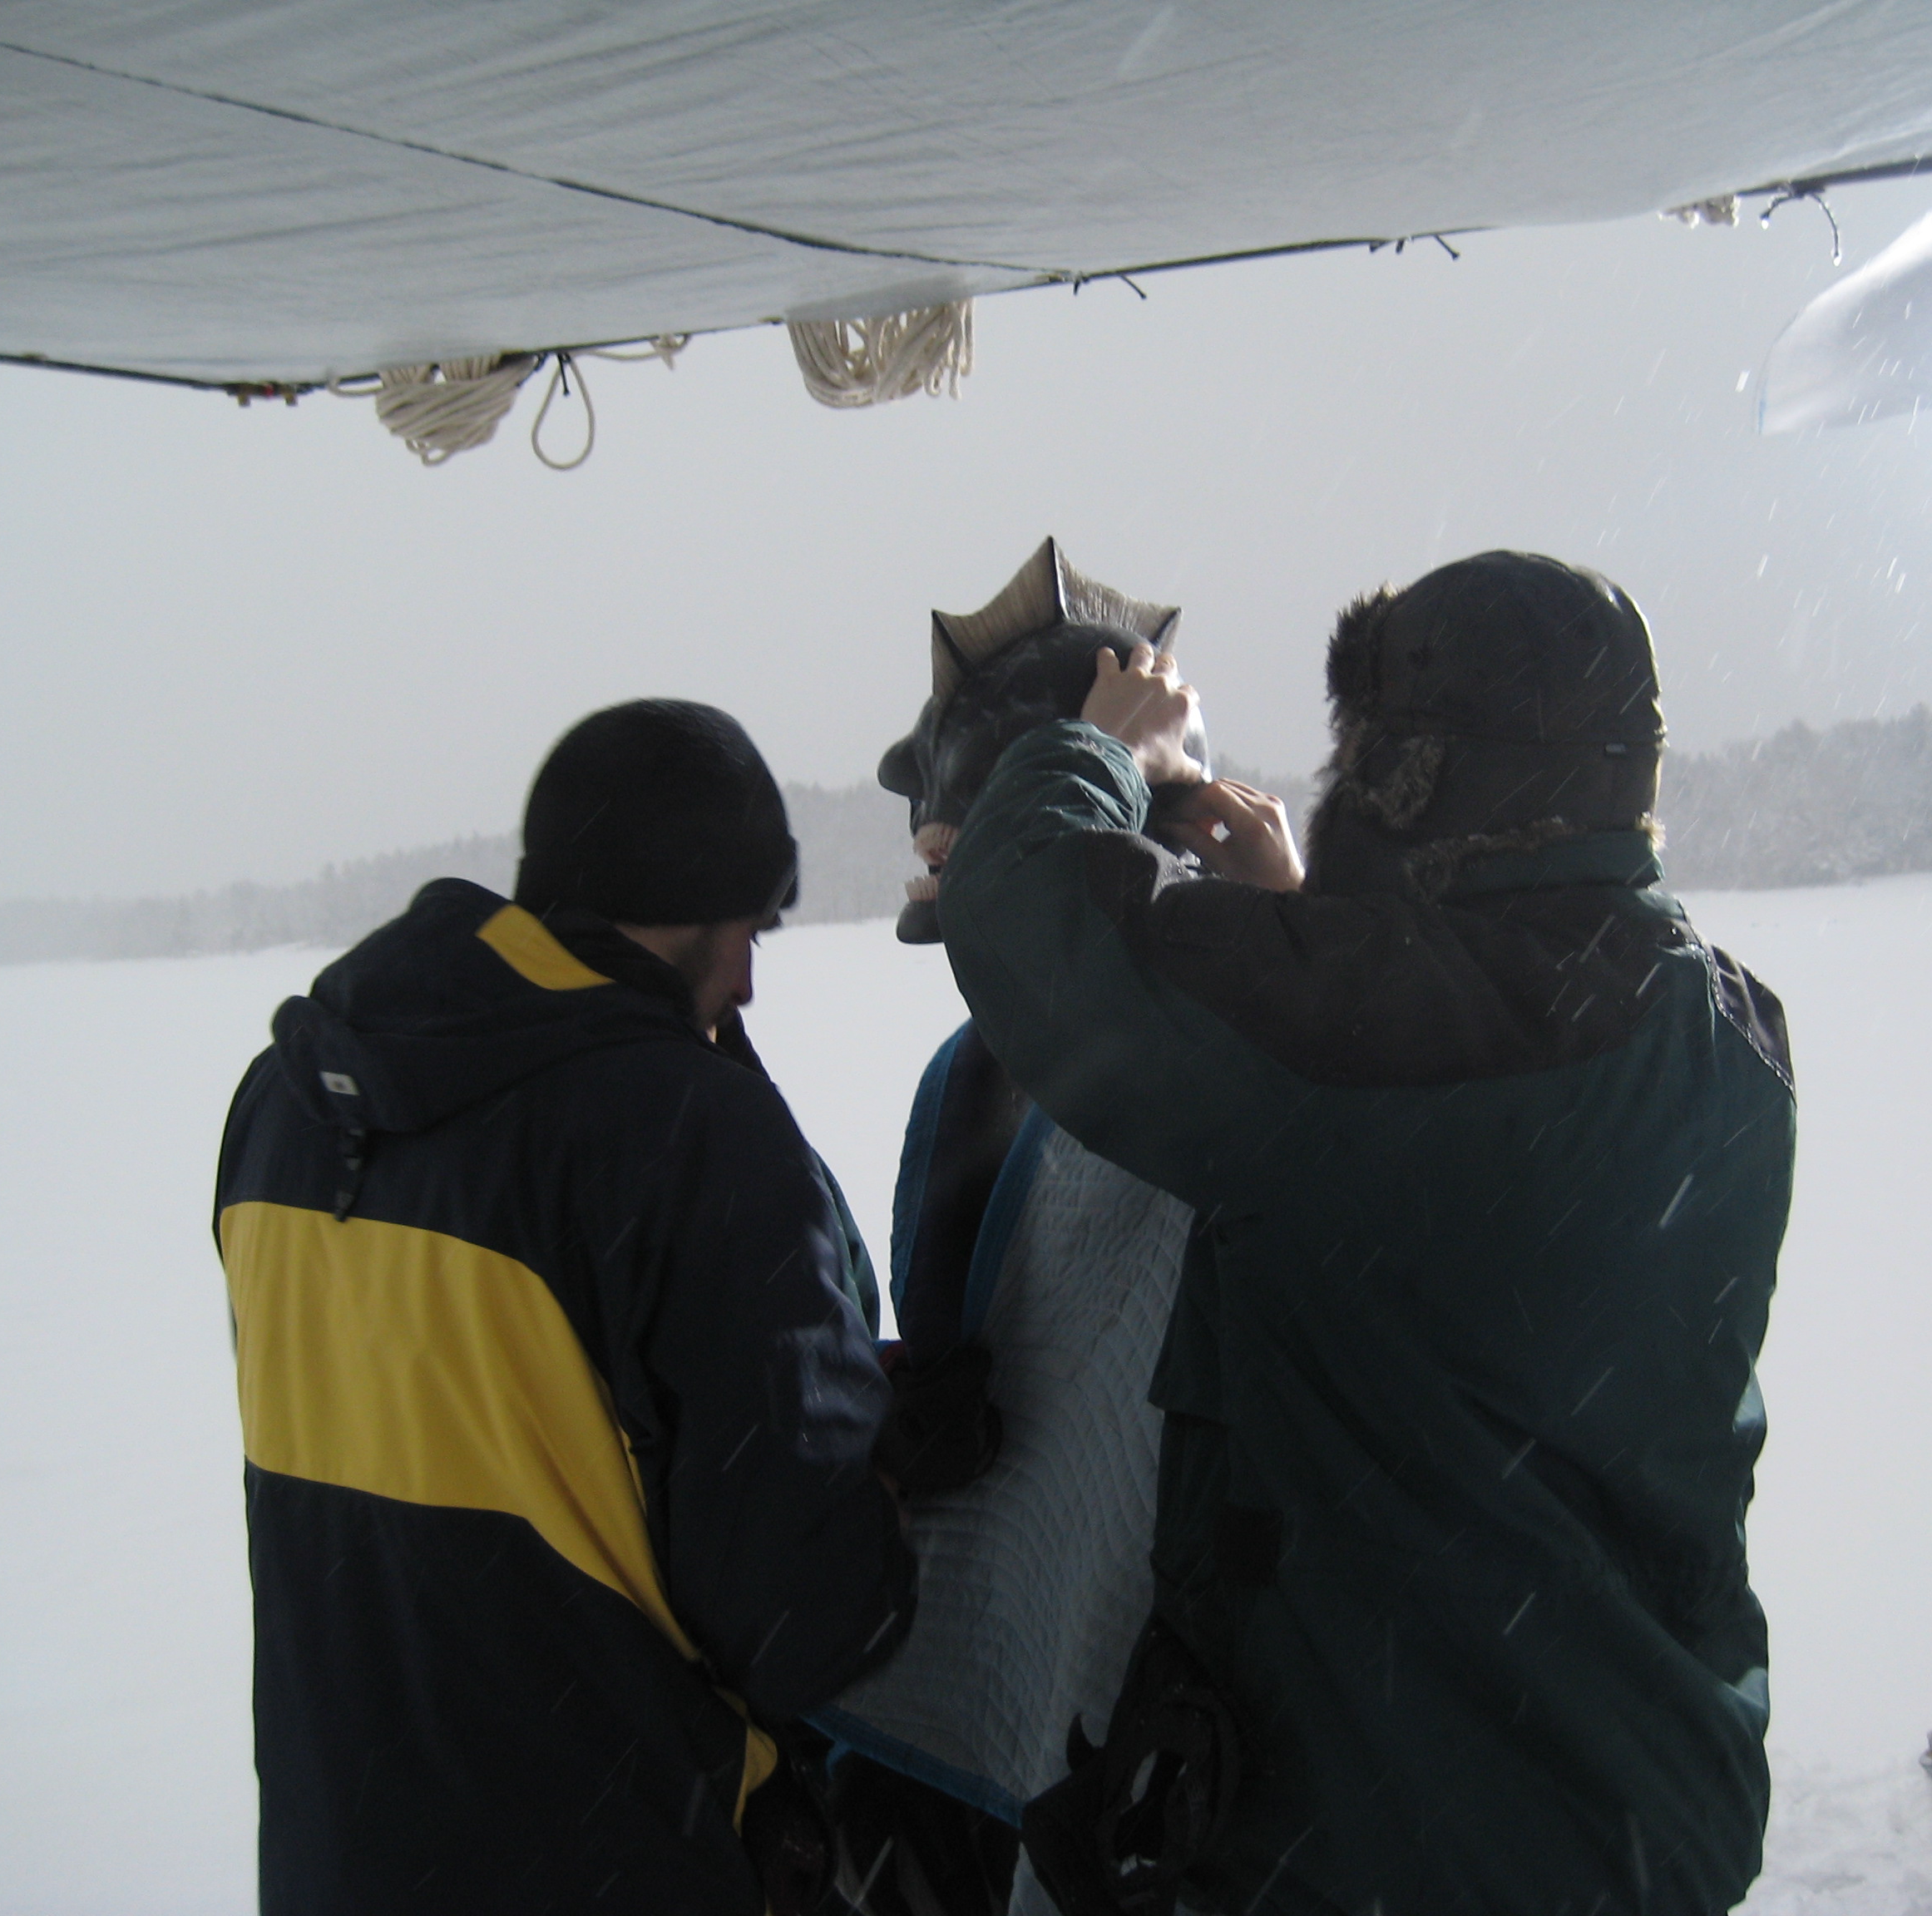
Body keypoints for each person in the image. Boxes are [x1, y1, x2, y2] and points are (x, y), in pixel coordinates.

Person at [938, 552, 1796, 1915]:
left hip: (1417, 1825)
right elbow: (1436, 1137)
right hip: (1638, 1786)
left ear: (1414, 780)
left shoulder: (1420, 1030)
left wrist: (1097, 752)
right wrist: (1308, 929)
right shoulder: (1725, 1024)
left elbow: (1029, 916)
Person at [214, 699, 915, 1916]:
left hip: (340, 1853)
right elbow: (799, 1622)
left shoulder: (285, 1108)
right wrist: (878, 1468)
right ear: (697, 911)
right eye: (754, 929)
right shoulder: (681, 1131)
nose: (749, 980)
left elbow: (487, 1439)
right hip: (617, 1853)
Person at [814, 541, 1238, 1916]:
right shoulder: (1011, 1067)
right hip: (1087, 1718)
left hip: (1096, 1720)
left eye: (956, 855)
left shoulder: (1094, 1065)